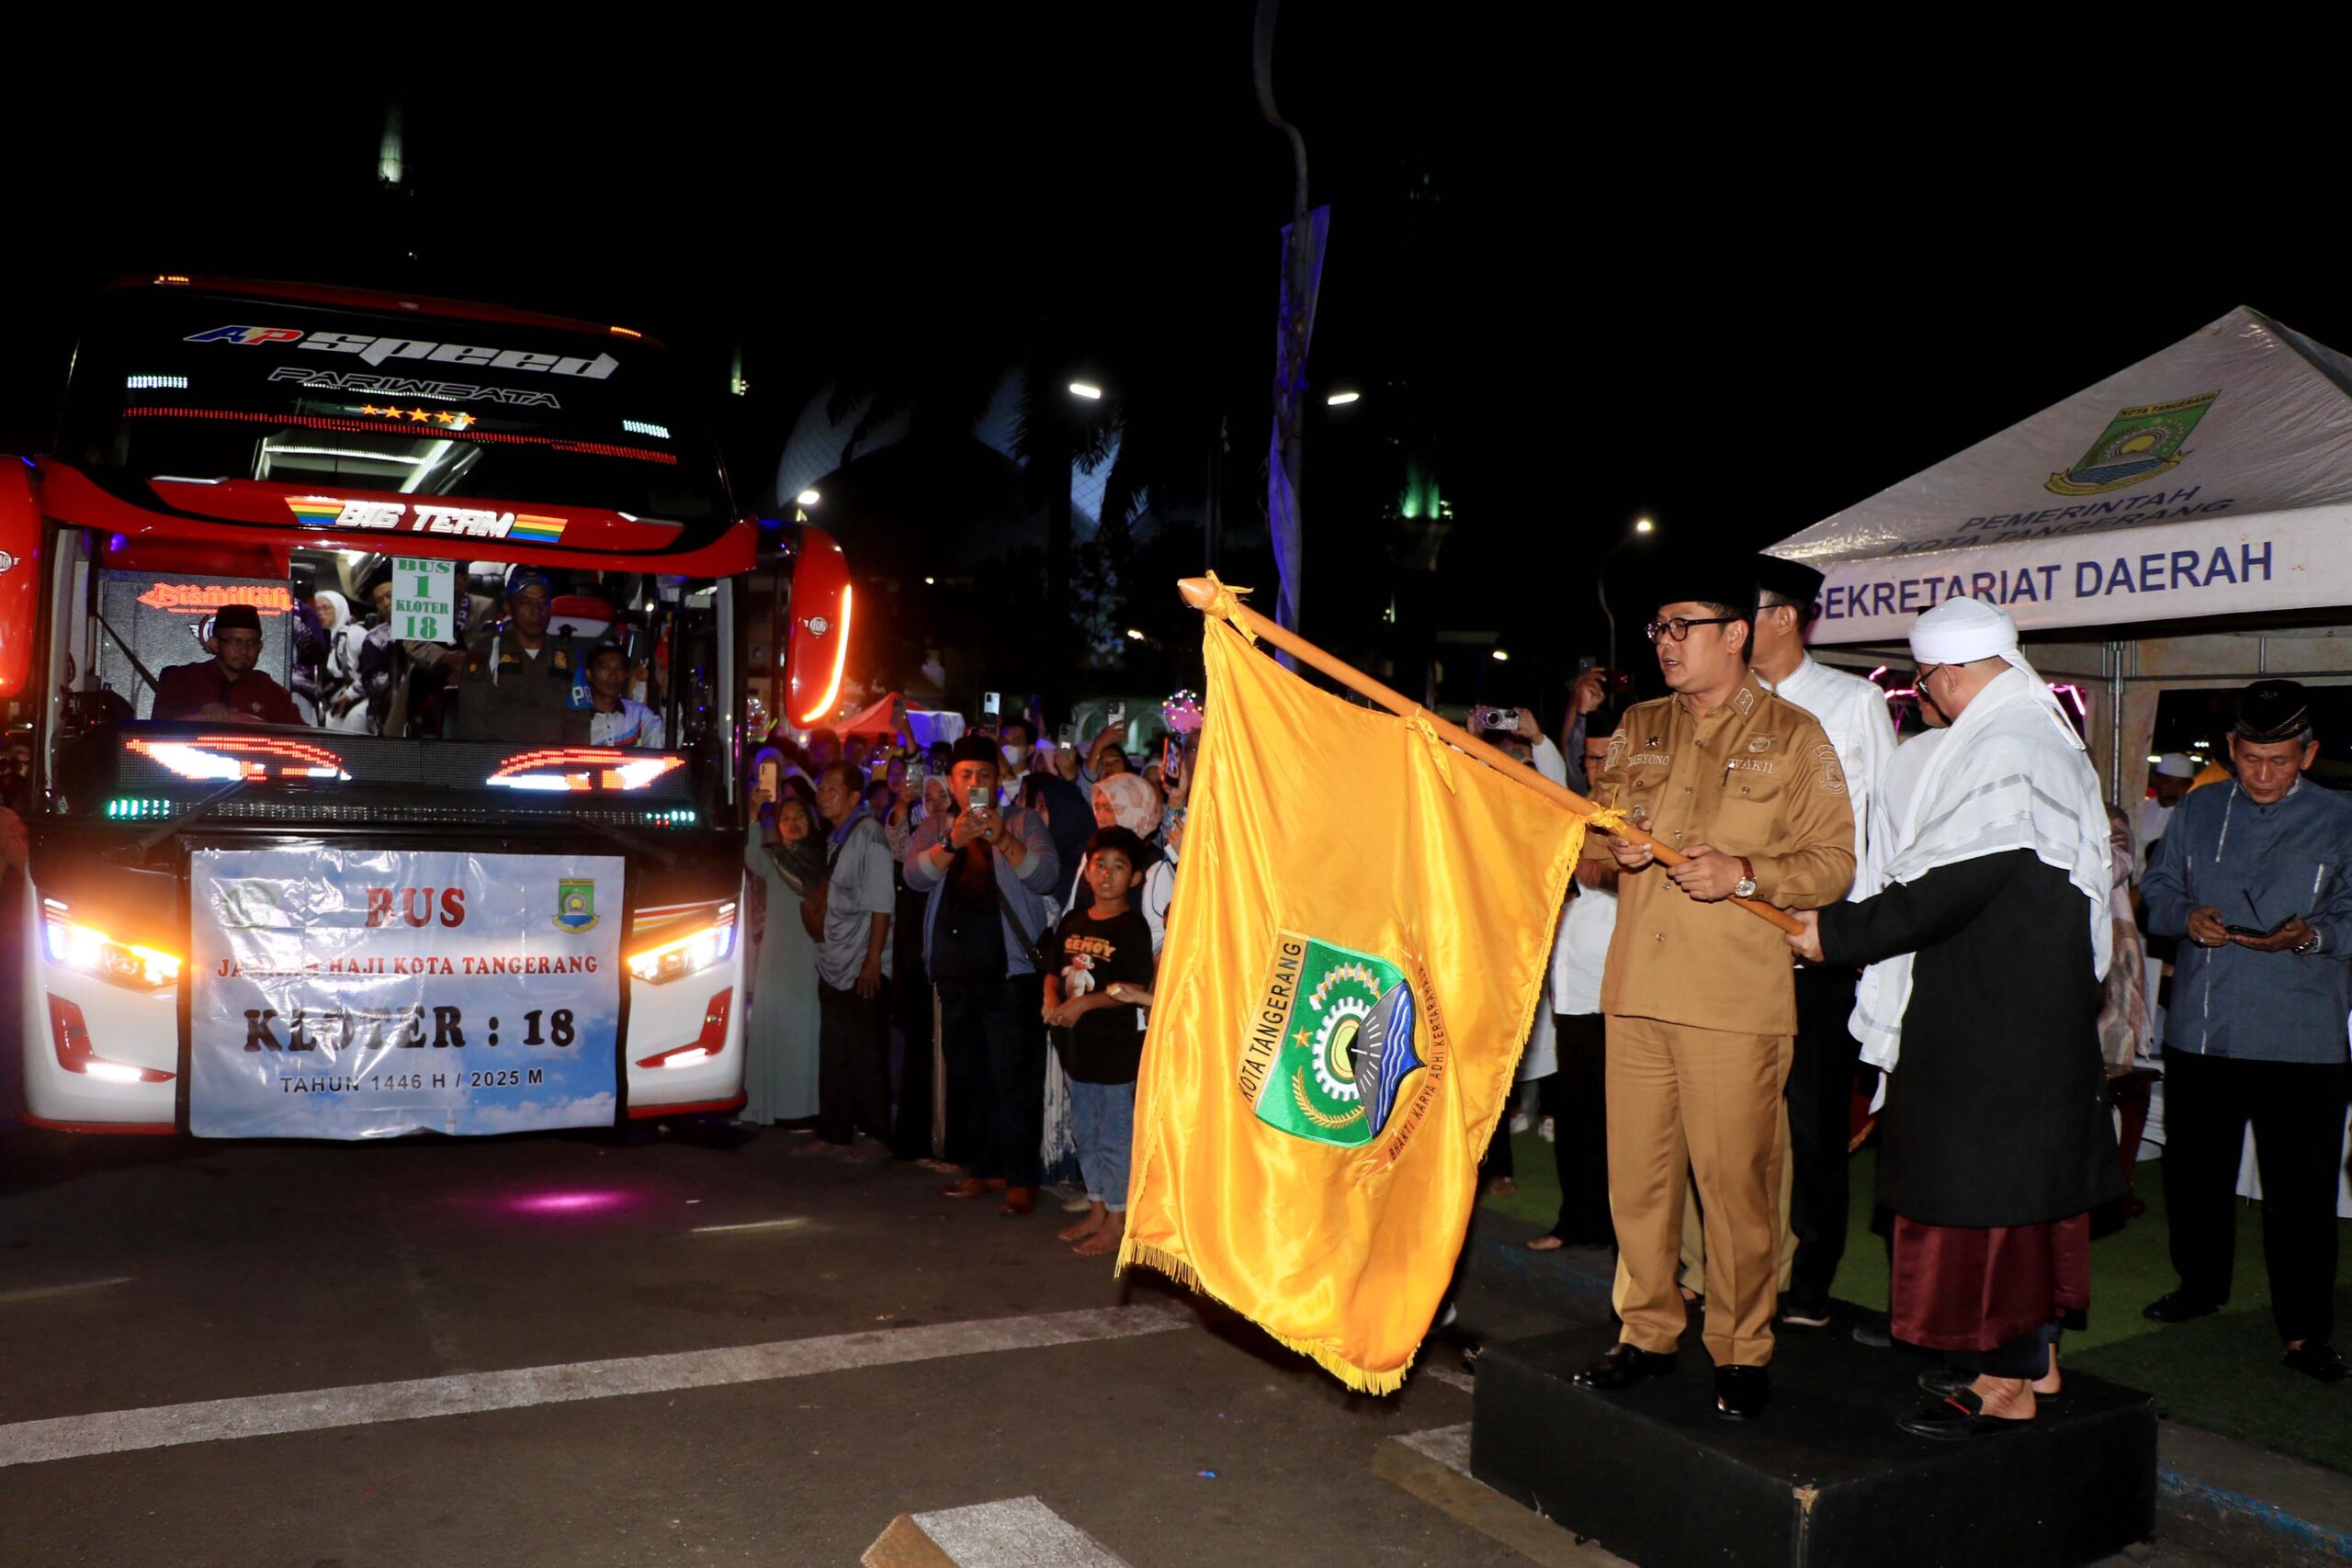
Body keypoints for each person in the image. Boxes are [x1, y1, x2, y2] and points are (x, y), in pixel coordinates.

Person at [1786, 595, 2120, 1438]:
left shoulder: (2008, 745)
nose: (1928, 698)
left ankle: (2002, 1377)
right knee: (2021, 1189)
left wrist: (1835, 932)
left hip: (1999, 1020)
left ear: (1956, 671)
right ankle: (2033, 1360)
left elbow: (1950, 886)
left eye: (1929, 682)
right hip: (2011, 1011)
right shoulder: (2032, 733)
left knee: (1998, 1200)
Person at [1571, 571, 1856, 1422]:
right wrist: (1608, 850)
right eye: (1658, 625)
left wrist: (1746, 873)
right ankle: (1647, 1330)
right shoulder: (1638, 727)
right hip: (1638, 990)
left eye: (1682, 625)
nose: (1663, 640)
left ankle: (1740, 1348)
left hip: (1733, 1001)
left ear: (1735, 634)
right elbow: (1589, 838)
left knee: (1737, 1188)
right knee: (1640, 1184)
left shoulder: (1796, 737)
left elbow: (1835, 863)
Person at [2140, 679, 2352, 1383]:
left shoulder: (2341, 817)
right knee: (2195, 1173)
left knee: (2302, 1192)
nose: (2263, 775)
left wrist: (2313, 935)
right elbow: (2159, 891)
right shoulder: (2199, 807)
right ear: (2231, 748)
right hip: (2205, 1026)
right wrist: (2184, 917)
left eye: (2281, 761)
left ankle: (2304, 1330)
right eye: (2251, 758)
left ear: (2310, 753)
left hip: (2303, 1037)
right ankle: (2200, 1286)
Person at [1749, 554, 1898, 1330]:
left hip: (1815, 942)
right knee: (1738, 1114)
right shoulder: (1726, 701)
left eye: (1748, 607)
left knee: (1811, 1119)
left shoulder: (1852, 701)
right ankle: (1744, 1266)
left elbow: (1880, 825)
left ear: (1785, 616)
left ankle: (1812, 1276)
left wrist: (1851, 937)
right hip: (1734, 941)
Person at [904, 734, 1061, 1215]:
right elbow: (914, 876)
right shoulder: (935, 826)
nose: (974, 783)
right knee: (970, 1076)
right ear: (950, 782)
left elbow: (1046, 877)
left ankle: (1021, 1178)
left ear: (999, 781)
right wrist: (954, 841)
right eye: (965, 776)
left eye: (984, 776)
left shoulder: (1023, 820)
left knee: (1013, 1077)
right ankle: (986, 1168)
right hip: (956, 974)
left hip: (1010, 975)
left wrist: (1003, 840)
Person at [1043, 825, 1159, 1257]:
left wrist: (1086, 1004)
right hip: (1076, 1049)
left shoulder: (1132, 928)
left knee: (1114, 1135)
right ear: (1087, 873)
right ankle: (1095, 1207)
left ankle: (1117, 1219)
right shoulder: (1074, 920)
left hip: (1113, 1052)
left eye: (1118, 867)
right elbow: (1053, 971)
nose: (1107, 875)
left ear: (1135, 878)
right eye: (1099, 866)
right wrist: (1052, 999)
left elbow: (1130, 987)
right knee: (1084, 1132)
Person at [1528, 725, 1621, 1251]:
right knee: (1575, 1113)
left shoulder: (1637, 818)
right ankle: (1575, 1221)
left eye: (1605, 757)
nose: (1595, 769)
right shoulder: (1575, 811)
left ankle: (1621, 1233)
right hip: (1571, 989)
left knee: (1618, 1122)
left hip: (1615, 991)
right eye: (1587, 759)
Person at [810, 761, 896, 1157]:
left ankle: (876, 1136)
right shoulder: (836, 837)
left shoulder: (870, 837)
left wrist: (872, 962)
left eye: (831, 788)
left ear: (853, 797)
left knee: (866, 1054)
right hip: (834, 960)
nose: (822, 794)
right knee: (835, 1053)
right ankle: (833, 1134)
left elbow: (881, 906)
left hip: (862, 962)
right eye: (821, 787)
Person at [741, 776, 823, 1126]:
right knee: (776, 1031)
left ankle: (805, 1108)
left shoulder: (825, 858)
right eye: (786, 819)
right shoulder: (773, 860)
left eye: (799, 817)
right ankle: (773, 1106)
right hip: (776, 958)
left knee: (807, 1033)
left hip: (811, 958)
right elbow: (749, 854)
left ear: (811, 821)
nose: (793, 823)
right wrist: (753, 814)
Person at [454, 567, 588, 744]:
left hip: (553, 760)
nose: (537, 611)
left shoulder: (568, 654)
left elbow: (579, 721)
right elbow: (472, 720)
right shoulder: (486, 651)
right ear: (508, 607)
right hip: (500, 759)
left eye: (543, 602)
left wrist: (574, 766)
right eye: (526, 602)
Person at [152, 604, 303, 725]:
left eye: (251, 643)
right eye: (235, 641)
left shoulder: (273, 694)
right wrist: (198, 712)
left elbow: (299, 738)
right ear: (215, 644)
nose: (244, 650)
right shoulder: (183, 680)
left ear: (260, 647)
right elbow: (157, 730)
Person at [581, 639, 664, 748]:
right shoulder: (575, 717)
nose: (613, 675)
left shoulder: (638, 713)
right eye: (605, 668)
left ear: (627, 674)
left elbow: (662, 745)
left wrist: (666, 689)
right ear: (589, 674)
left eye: (619, 669)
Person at [2139, 753, 2198, 875]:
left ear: (2190, 785)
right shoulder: (2139, 811)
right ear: (2155, 780)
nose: (2173, 790)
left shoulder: (2195, 817)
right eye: (2167, 782)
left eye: (2181, 785)